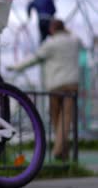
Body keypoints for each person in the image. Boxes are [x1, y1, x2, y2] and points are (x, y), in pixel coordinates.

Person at [7, 19, 81, 160]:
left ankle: (58, 151)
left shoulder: (50, 44)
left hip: (55, 86)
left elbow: (34, 58)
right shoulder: (73, 41)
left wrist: (15, 67)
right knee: (66, 119)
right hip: (72, 85)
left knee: (55, 117)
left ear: (52, 29)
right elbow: (80, 41)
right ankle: (63, 152)